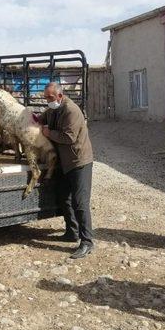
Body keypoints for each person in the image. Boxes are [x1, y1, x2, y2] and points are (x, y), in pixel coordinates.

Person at [39, 83, 94, 259]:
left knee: (80, 202)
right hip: (66, 162)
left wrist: (48, 134)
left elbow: (69, 137)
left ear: (60, 96)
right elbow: (41, 119)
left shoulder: (71, 111)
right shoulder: (53, 109)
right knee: (64, 196)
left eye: (50, 97)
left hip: (79, 162)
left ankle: (87, 242)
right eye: (46, 97)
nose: (47, 101)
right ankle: (72, 232)